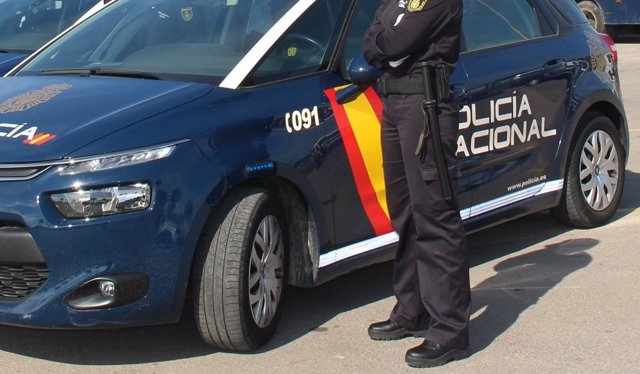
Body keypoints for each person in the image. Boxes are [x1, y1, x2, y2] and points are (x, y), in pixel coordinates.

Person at [362, 0, 470, 368]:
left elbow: (391, 43)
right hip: (392, 104)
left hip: (425, 107)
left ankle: (448, 330)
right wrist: (386, 39)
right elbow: (372, 40)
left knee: (434, 216)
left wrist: (386, 40)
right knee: (404, 213)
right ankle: (413, 310)